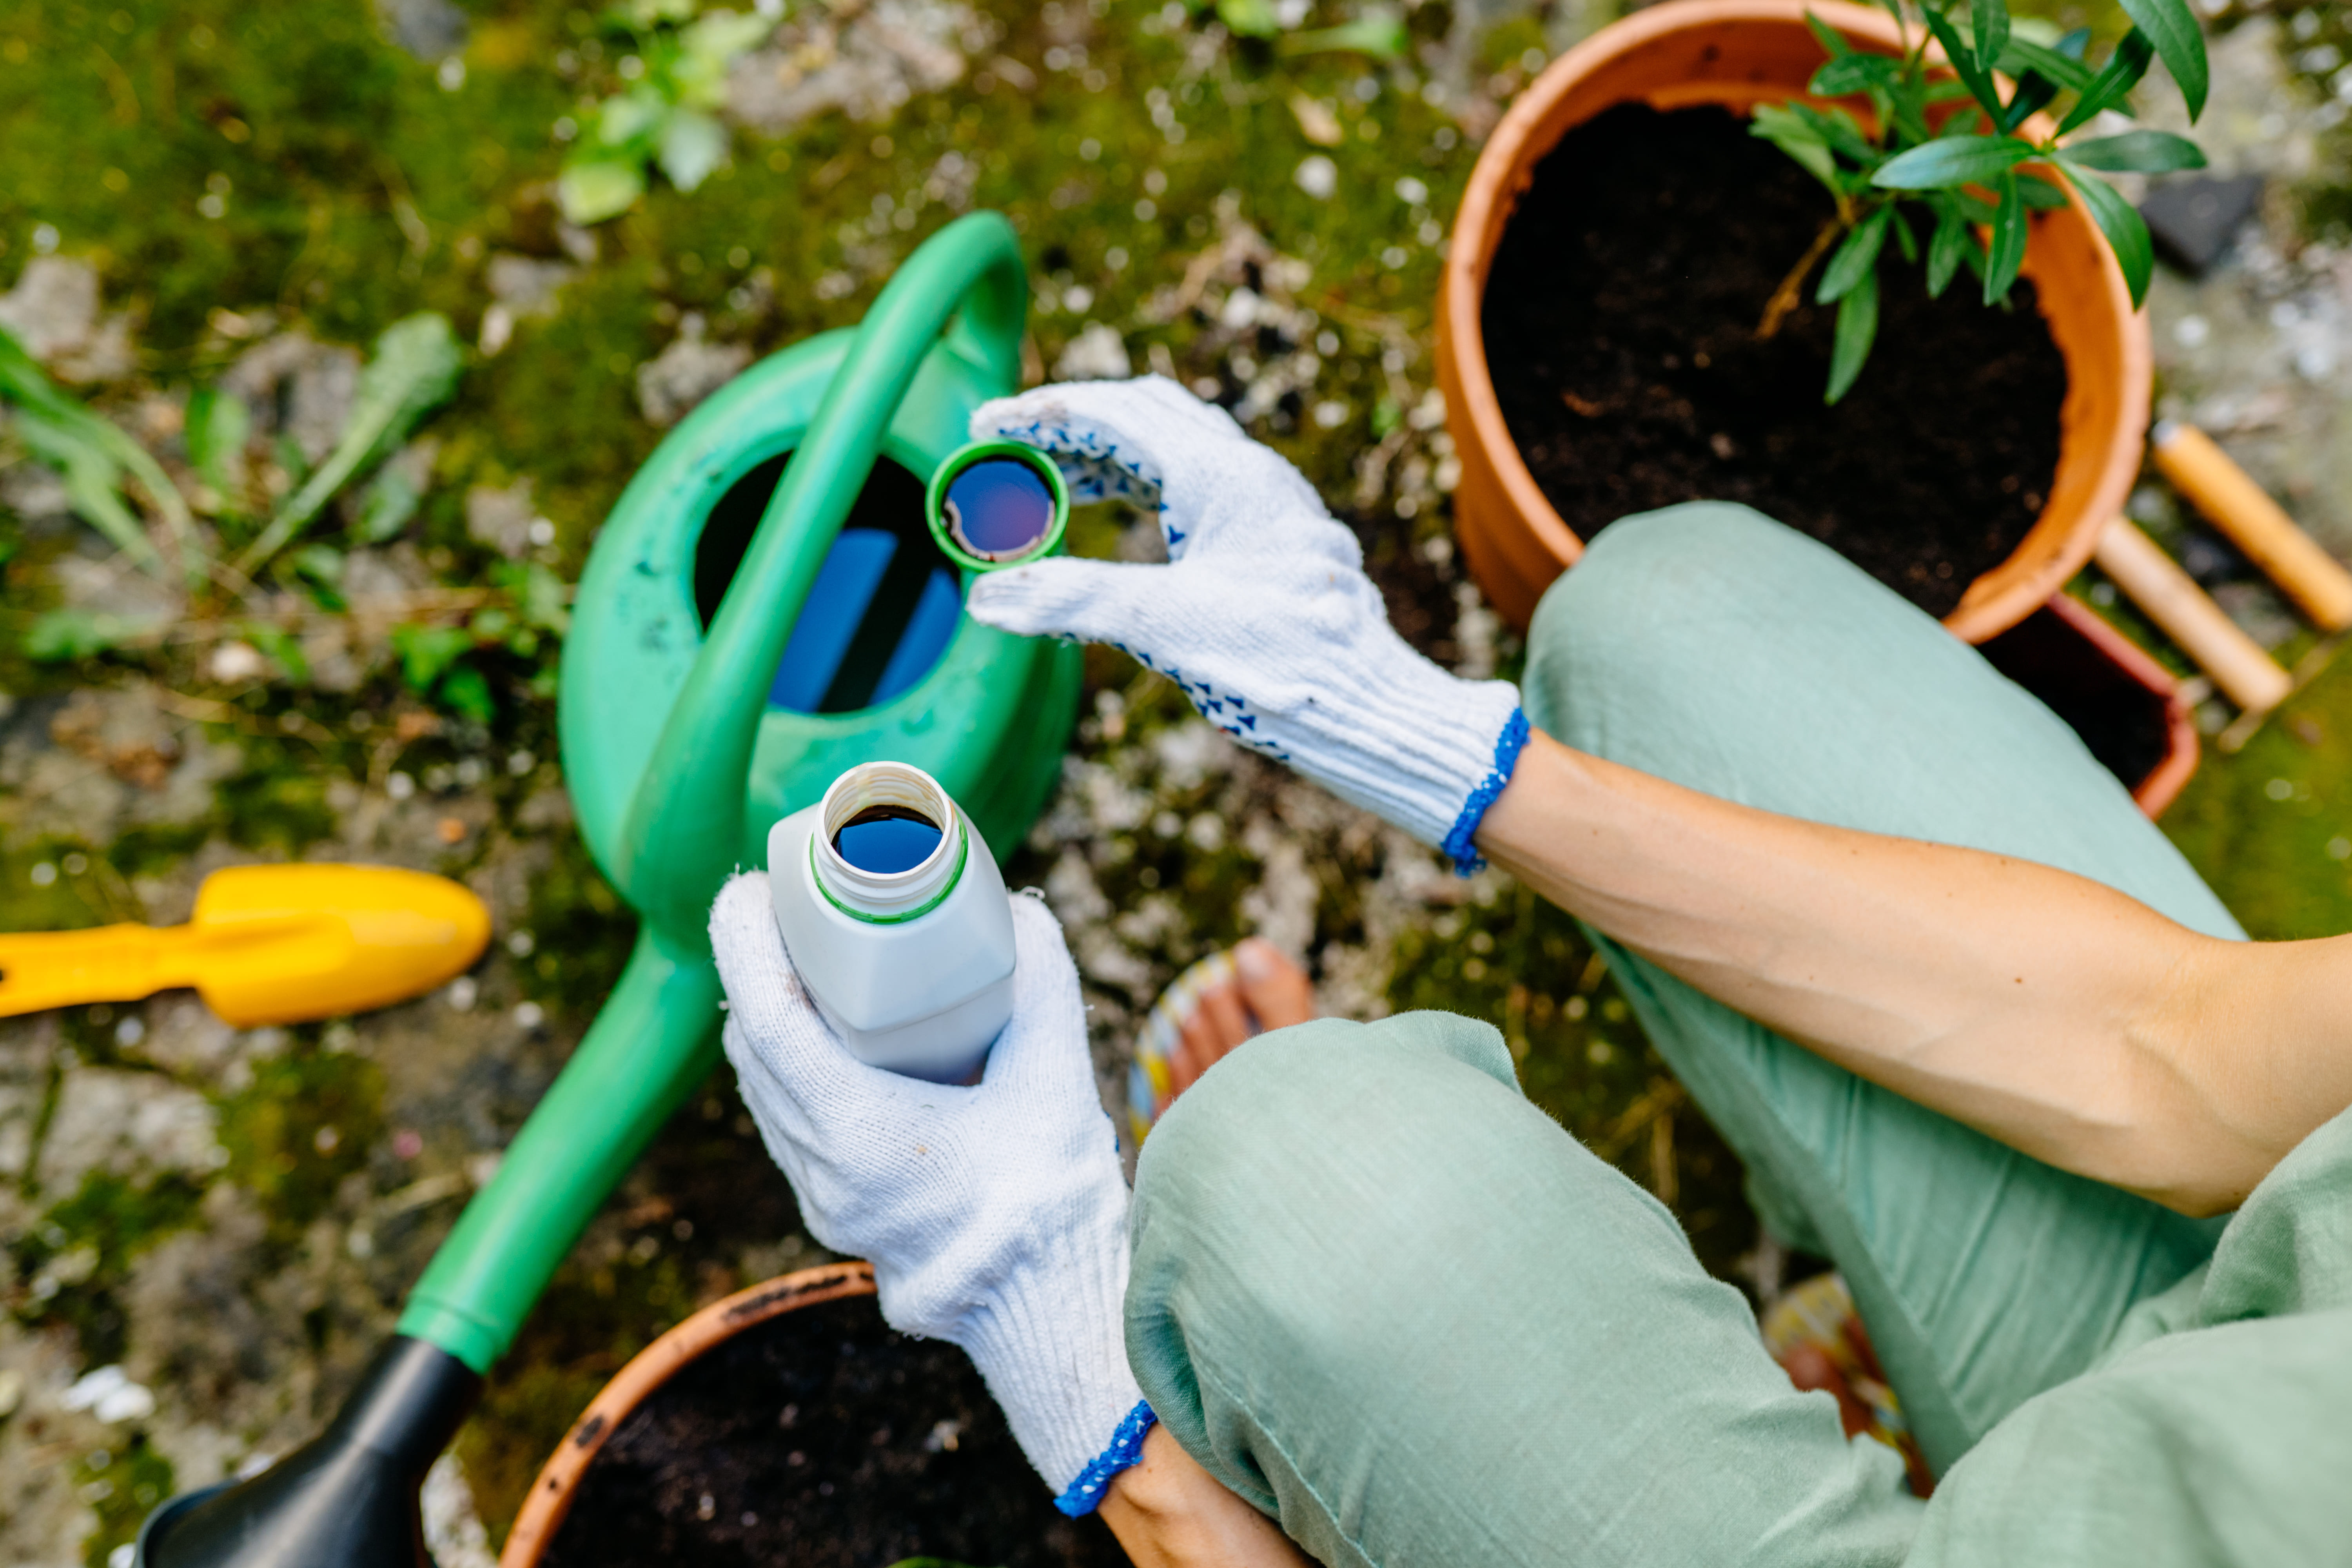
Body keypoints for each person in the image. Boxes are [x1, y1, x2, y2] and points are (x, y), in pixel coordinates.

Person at [708, 378, 2352, 1568]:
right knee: (1677, 623)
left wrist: (1059, 1344)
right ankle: (1854, 1390)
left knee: (1295, 1186)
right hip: (2251, 1335)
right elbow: (2178, 1056)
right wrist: (1414, 731)